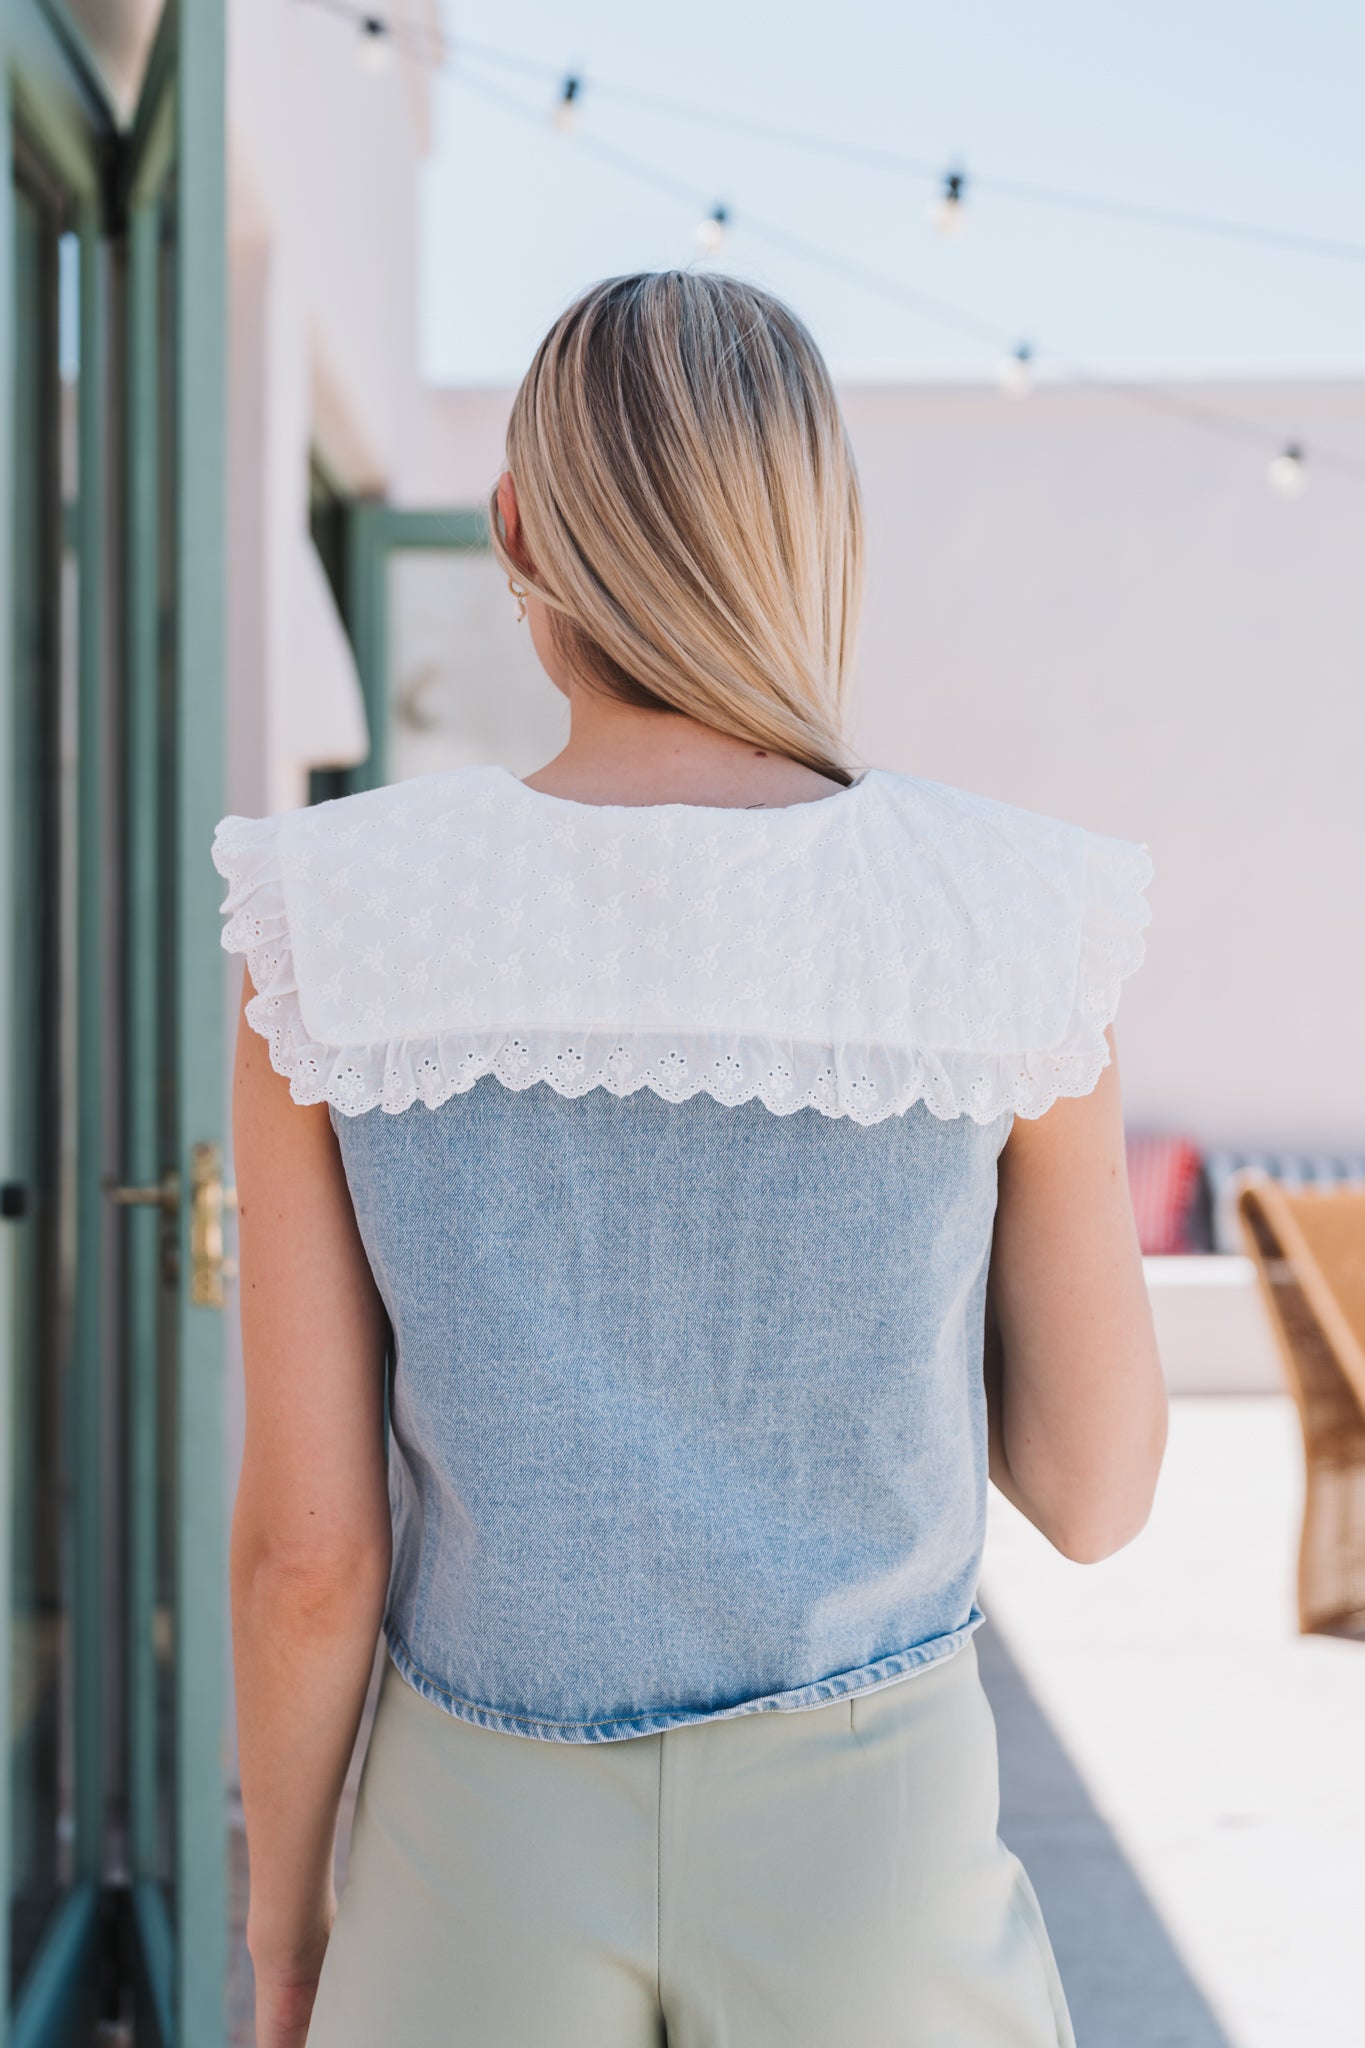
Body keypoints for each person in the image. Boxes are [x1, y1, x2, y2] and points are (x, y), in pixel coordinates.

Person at [215, 270, 1166, 2048]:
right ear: (816, 535)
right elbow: (1096, 1494)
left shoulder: (328, 918)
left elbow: (307, 1560)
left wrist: (288, 1934)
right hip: (874, 1857)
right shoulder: (1013, 919)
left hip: (469, 1856)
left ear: (516, 530)